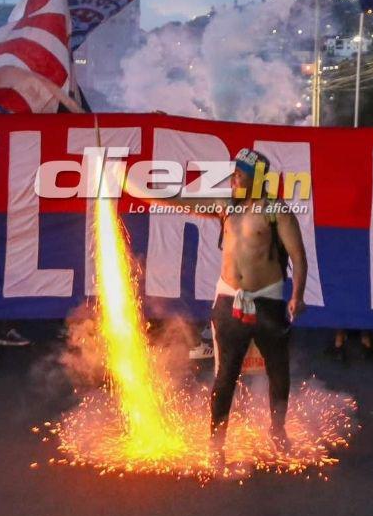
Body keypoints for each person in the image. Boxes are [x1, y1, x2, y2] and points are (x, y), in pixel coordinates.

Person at [126, 146, 306, 465]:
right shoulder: (225, 205)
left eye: (240, 176)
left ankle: (278, 431)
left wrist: (297, 295)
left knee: (278, 370)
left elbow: (298, 256)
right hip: (229, 300)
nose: (233, 180)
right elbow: (180, 200)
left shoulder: (276, 210)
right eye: (233, 175)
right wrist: (136, 187)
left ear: (257, 180)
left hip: (268, 301)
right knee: (226, 375)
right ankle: (215, 444)